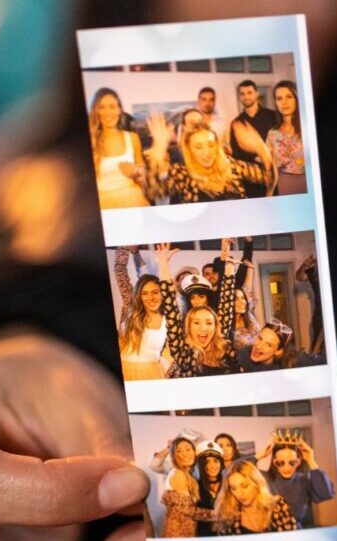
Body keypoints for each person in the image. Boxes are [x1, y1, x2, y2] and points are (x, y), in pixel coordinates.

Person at [146, 114, 276, 204]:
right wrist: (158, 147)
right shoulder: (181, 173)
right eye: (198, 147)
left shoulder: (231, 165)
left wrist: (262, 150)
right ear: (189, 150)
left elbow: (269, 179)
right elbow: (155, 192)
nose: (206, 153)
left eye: (210, 145)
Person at [157, 241, 239, 377]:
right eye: (196, 323)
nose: (203, 328)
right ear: (188, 326)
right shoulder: (183, 351)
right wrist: (163, 265)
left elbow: (227, 301)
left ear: (216, 326)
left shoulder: (223, 344)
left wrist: (228, 263)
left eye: (208, 323)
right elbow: (170, 307)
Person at [257, 431, 336, 528]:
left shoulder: (304, 480)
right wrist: (259, 455)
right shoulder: (263, 478)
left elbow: (325, 493)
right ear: (274, 462)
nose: (286, 468)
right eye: (280, 463)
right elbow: (236, 472)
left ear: (299, 462)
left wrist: (311, 461)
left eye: (292, 462)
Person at [89, 87, 149, 209]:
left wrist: (137, 173)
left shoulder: (132, 138)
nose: (108, 113)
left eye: (112, 107)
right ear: (96, 111)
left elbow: (144, 178)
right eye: (101, 107)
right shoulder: (91, 141)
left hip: (133, 201)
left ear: (119, 110)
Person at [114, 247, 168, 380]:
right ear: (139, 296)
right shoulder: (130, 310)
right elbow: (120, 271)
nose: (151, 298)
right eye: (145, 294)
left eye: (155, 292)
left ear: (162, 293)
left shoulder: (169, 319)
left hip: (154, 374)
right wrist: (124, 246)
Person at [215, 460, 297, 534]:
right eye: (233, 488)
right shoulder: (228, 518)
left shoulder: (278, 506)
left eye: (244, 486)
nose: (239, 493)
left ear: (257, 483)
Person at [229, 80, 278, 198]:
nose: (246, 97)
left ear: (256, 94)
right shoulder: (236, 123)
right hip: (251, 181)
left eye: (249, 92)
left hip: (275, 177)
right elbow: (236, 154)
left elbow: (280, 143)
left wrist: (267, 154)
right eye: (242, 94)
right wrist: (257, 156)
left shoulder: (273, 116)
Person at [160, 437, 215, 537]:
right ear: (174, 456)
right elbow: (189, 511)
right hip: (177, 534)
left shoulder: (188, 476)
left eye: (188, 449)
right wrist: (220, 515)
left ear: (194, 452)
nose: (184, 454)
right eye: (178, 451)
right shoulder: (179, 474)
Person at [266, 80, 306, 195]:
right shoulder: (272, 134)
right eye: (279, 98)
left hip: (309, 182)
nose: (284, 102)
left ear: (297, 99)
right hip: (285, 185)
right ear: (275, 103)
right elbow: (271, 168)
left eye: (289, 97)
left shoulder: (307, 127)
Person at [195, 440, 226, 537]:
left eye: (216, 461)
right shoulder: (194, 485)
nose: (212, 466)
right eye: (207, 462)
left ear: (221, 463)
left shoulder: (229, 483)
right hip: (204, 536)